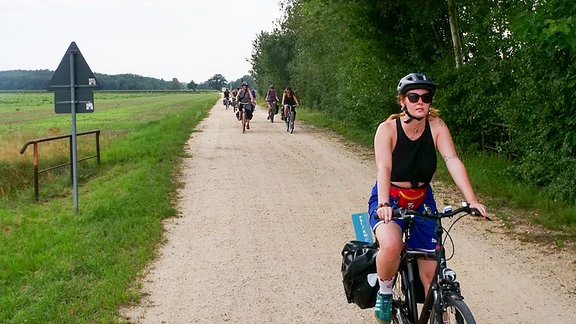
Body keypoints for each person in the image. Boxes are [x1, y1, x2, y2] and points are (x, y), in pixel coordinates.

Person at [368, 73, 487, 324]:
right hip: (390, 196)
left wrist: (472, 200)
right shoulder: (387, 129)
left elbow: (452, 161)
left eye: (426, 97)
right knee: (390, 246)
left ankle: (439, 315)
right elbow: (384, 169)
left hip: (422, 198)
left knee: (433, 270)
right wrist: (383, 205)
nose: (420, 101)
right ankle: (386, 292)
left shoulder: (437, 127)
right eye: (414, 97)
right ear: (403, 101)